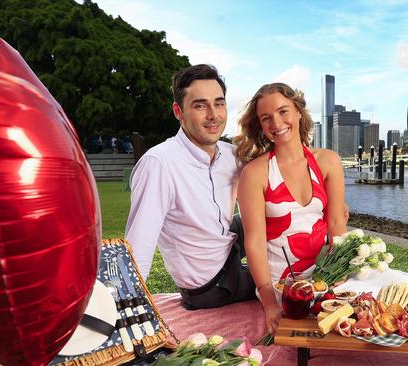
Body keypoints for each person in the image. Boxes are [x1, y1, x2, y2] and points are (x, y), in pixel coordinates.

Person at [125, 64, 256, 310]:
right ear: (178, 111)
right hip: (210, 286)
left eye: (219, 103)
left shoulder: (230, 154)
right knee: (280, 281)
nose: (213, 115)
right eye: (200, 105)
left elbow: (271, 183)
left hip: (224, 243)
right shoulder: (159, 165)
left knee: (271, 215)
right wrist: (129, 314)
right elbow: (138, 247)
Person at [234, 83, 347, 333]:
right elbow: (254, 242)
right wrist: (268, 302)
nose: (276, 123)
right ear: (261, 126)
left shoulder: (328, 161)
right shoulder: (255, 174)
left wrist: (340, 273)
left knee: (390, 287)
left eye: (283, 111)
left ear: (298, 112)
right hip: (281, 285)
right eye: (266, 118)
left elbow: (337, 225)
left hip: (325, 277)